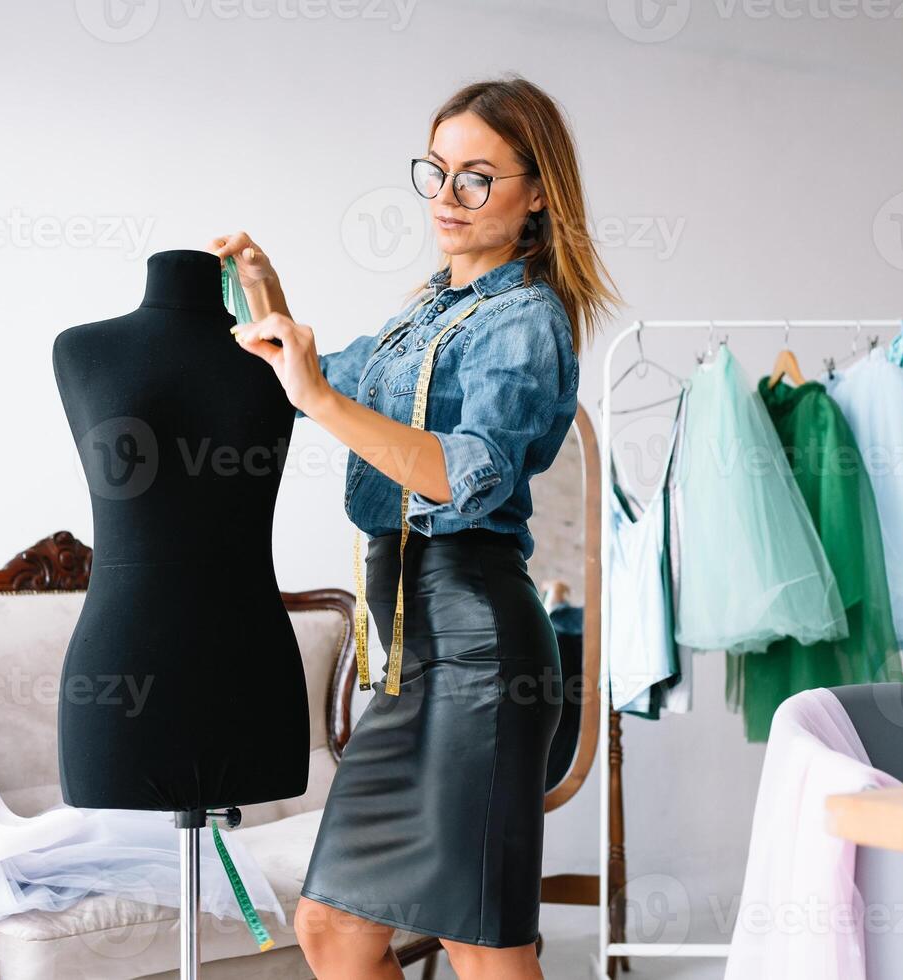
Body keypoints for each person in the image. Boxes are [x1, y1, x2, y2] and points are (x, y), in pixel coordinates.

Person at [213, 74, 619, 980]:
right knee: (332, 927)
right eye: (435, 171)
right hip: (410, 649)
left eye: (477, 176)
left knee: (483, 944)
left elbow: (465, 473)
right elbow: (334, 374)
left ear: (538, 191)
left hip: (479, 645)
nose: (446, 197)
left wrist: (315, 396)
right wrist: (269, 299)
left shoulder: (527, 319)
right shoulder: (427, 310)